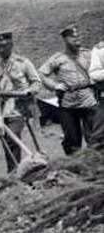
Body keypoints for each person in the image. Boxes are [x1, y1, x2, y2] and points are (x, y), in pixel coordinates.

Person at [0, 31, 41, 173]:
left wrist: (28, 92)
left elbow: (37, 83)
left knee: (12, 139)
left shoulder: (23, 63)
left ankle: (14, 173)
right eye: (0, 47)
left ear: (11, 45)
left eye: (5, 46)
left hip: (16, 110)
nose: (2, 50)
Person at [39, 24, 97, 155]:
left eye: (78, 36)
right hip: (68, 103)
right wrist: (55, 86)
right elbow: (42, 73)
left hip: (89, 100)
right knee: (72, 140)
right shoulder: (58, 58)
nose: (77, 39)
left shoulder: (88, 55)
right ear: (65, 39)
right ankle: (74, 168)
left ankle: (96, 168)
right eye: (72, 37)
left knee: (94, 138)